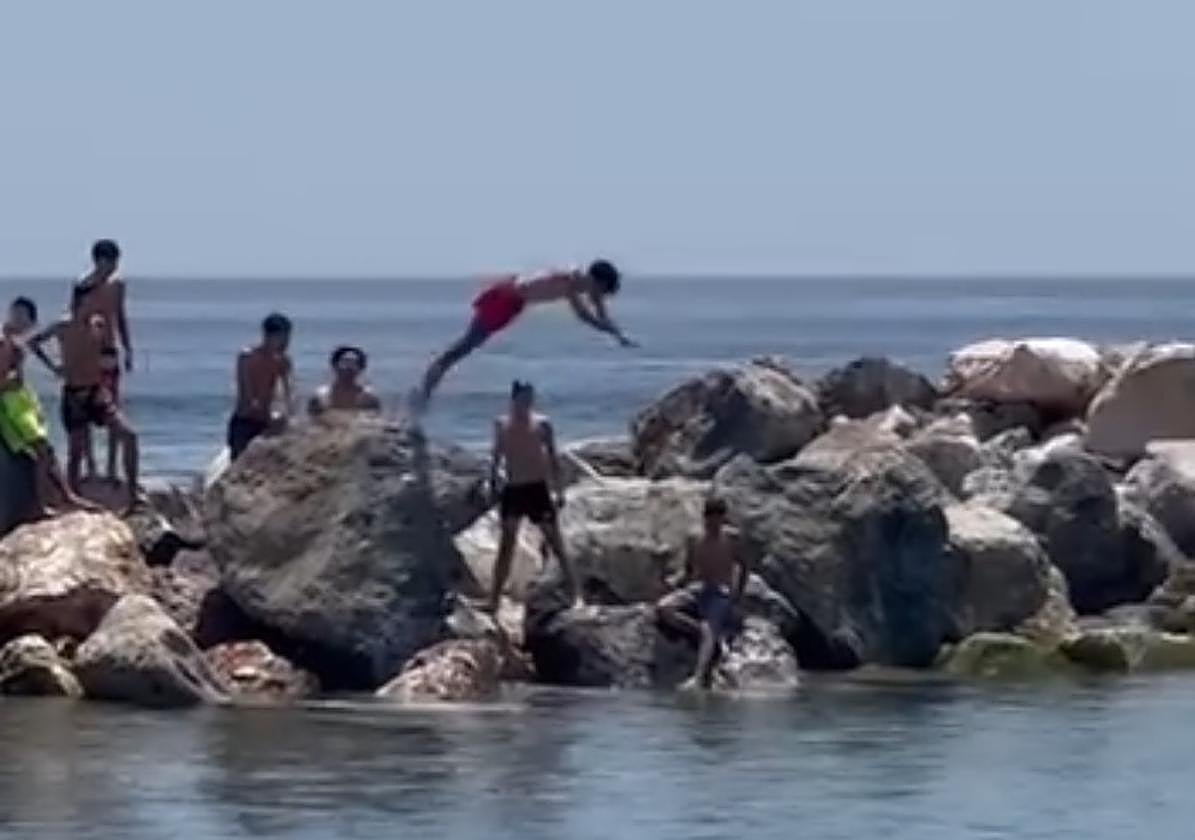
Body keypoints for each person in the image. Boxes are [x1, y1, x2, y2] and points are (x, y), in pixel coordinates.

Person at [415, 260, 635, 411]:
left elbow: (600, 311)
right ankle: (424, 391)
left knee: (466, 347)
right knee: (463, 348)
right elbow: (585, 316)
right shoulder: (569, 281)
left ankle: (426, 389)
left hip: (513, 303)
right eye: (602, 290)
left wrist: (618, 335)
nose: (599, 296)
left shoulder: (584, 285)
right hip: (505, 299)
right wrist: (612, 331)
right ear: (597, 281)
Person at [26, 308, 141, 513]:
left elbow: (107, 357)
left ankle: (132, 499)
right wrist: (55, 367)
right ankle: (74, 500)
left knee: (128, 435)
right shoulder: (63, 325)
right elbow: (34, 342)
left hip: (96, 392)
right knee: (76, 450)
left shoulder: (98, 324)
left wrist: (107, 377)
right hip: (74, 394)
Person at [488, 380, 580, 613]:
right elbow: (496, 456)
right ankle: (494, 600)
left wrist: (559, 491)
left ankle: (575, 594)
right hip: (513, 489)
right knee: (505, 547)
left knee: (556, 543)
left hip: (537, 489)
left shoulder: (542, 424)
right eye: (524, 398)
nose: (528, 402)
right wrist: (492, 481)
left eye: (530, 398)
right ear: (514, 399)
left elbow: (553, 458)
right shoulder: (501, 424)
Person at [0, 297, 98, 518]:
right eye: (19, 315)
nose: (22, 322)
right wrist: (12, 383)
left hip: (21, 402)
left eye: (26, 319)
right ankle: (44, 504)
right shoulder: (3, 341)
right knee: (43, 451)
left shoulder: (14, 341)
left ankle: (66, 496)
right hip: (11, 406)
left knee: (47, 452)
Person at [655, 496, 749, 691]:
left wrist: (736, 595)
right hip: (698, 588)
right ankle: (698, 631)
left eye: (718, 520)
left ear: (723, 519)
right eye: (710, 520)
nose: (713, 525)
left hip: (720, 592)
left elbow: (743, 566)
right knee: (664, 607)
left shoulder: (732, 539)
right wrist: (673, 582)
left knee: (710, 626)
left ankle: (698, 677)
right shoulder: (695, 539)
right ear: (704, 518)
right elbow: (688, 571)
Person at [71, 239, 133, 485]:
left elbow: (120, 316)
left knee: (112, 408)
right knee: (85, 409)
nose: (115, 266)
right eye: (112, 261)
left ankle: (111, 468)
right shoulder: (82, 286)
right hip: (88, 354)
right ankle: (92, 466)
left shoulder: (117, 285)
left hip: (109, 351)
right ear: (100, 260)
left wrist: (128, 348)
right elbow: (75, 321)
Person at [228, 313, 294, 461]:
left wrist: (288, 411)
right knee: (240, 460)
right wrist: (254, 403)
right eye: (284, 337)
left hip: (265, 420)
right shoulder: (248, 356)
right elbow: (245, 387)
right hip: (245, 419)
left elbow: (288, 389)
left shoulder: (282, 360)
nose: (287, 342)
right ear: (271, 336)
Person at [308, 345, 382, 418]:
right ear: (335, 366)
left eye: (354, 363)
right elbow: (311, 421)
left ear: (360, 368)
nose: (349, 367)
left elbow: (375, 421)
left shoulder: (368, 398)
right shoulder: (321, 397)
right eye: (345, 362)